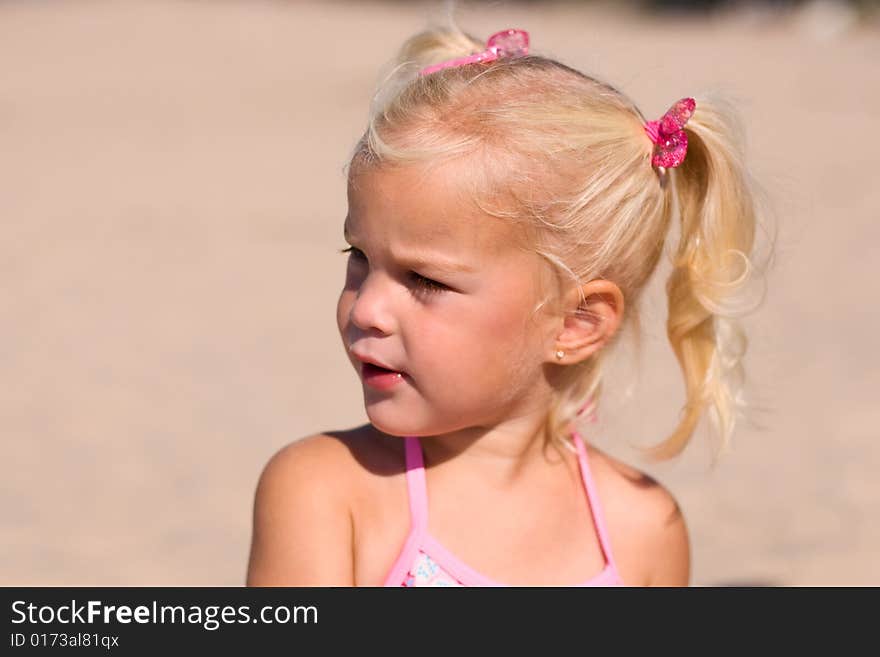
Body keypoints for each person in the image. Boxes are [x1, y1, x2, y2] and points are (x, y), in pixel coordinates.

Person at [246, 24, 765, 587]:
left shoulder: (640, 529)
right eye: (360, 256)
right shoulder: (328, 492)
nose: (367, 308)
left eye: (425, 280)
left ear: (576, 322)